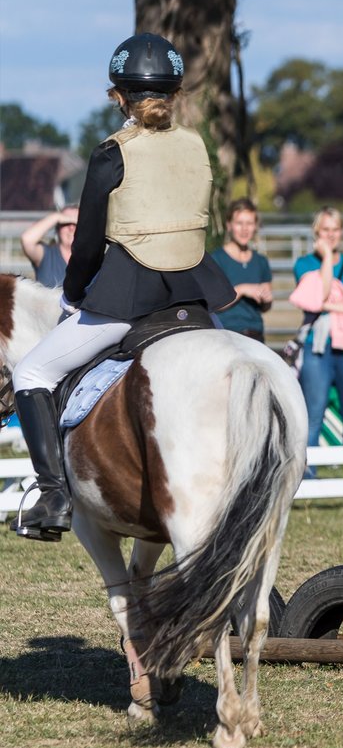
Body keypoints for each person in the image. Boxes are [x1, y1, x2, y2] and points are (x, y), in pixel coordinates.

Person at [10, 33, 236, 542]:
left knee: (31, 371)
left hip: (128, 296)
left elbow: (87, 244)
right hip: (194, 297)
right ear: (173, 93)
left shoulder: (112, 153)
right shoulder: (197, 145)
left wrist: (71, 293)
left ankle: (51, 495)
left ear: (120, 95)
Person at [289, 206, 343, 476]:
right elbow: (317, 297)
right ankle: (307, 479)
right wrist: (326, 258)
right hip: (316, 348)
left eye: (335, 229)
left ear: (342, 232)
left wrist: (333, 307)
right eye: (325, 229)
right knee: (313, 417)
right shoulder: (304, 264)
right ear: (317, 232)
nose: (330, 235)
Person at [211, 198, 274, 341]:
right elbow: (213, 303)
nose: (244, 229)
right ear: (229, 225)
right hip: (225, 335)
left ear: (255, 226)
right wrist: (243, 289)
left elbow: (265, 307)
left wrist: (267, 299)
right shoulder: (216, 259)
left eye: (249, 223)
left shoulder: (261, 261)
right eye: (239, 223)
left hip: (255, 335)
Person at [20, 205, 78, 289]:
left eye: (77, 223)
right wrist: (56, 217)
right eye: (65, 223)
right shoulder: (46, 255)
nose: (71, 228)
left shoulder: (90, 258)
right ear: (58, 229)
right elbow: (27, 240)